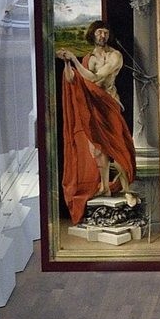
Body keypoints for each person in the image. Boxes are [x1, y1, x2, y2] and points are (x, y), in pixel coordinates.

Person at [58, 20, 137, 220]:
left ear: (108, 35)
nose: (102, 36)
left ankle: (126, 189)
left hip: (110, 104)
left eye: (105, 33)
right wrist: (67, 63)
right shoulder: (88, 58)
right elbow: (73, 80)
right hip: (93, 106)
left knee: (116, 146)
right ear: (93, 35)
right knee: (97, 148)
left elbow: (94, 79)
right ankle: (104, 187)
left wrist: (74, 61)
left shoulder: (114, 56)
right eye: (99, 33)